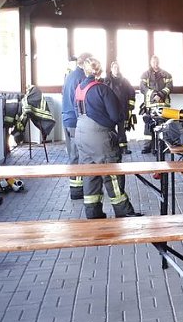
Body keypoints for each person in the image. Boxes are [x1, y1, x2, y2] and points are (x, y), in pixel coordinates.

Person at [75, 58, 142, 219]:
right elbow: (115, 115)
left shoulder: (79, 88)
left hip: (81, 134)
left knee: (90, 174)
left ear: (85, 71)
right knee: (112, 173)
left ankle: (93, 213)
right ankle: (124, 212)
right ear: (99, 71)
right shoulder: (102, 89)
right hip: (100, 137)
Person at [61, 52, 91, 201]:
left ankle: (76, 187)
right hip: (75, 121)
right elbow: (80, 102)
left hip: (66, 119)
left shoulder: (70, 75)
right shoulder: (81, 78)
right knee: (78, 155)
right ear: (85, 63)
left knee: (73, 154)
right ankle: (77, 190)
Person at [140, 55, 173, 155]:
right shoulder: (145, 74)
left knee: (163, 126)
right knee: (148, 126)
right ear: (151, 62)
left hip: (163, 105)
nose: (156, 64)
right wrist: (154, 95)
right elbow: (143, 88)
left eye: (157, 62)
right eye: (154, 62)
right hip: (150, 105)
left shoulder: (166, 74)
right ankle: (147, 146)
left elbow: (170, 87)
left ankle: (163, 146)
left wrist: (160, 94)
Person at [104, 61, 136, 155]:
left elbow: (131, 93)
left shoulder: (125, 81)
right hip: (110, 110)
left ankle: (123, 148)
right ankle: (113, 147)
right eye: (114, 67)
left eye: (117, 67)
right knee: (110, 129)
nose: (116, 69)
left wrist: (130, 106)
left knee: (122, 129)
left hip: (122, 109)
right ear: (111, 69)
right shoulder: (107, 80)